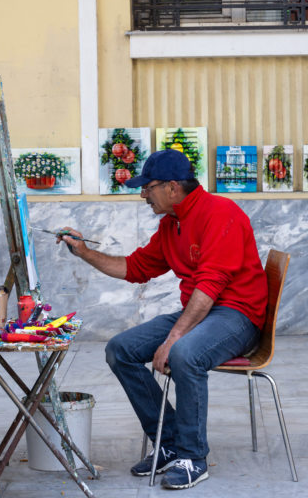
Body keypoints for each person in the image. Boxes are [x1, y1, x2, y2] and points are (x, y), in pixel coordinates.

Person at [58, 149, 268, 490]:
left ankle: (192, 456)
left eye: (147, 187)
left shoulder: (220, 213)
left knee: (186, 354)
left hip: (238, 314)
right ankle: (169, 441)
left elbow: (211, 286)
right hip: (202, 311)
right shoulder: (173, 224)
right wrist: (84, 252)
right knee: (120, 349)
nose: (142, 194)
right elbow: (134, 268)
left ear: (172, 187)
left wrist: (173, 340)